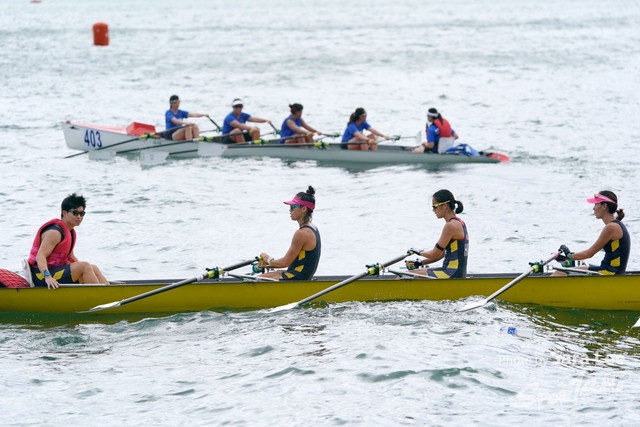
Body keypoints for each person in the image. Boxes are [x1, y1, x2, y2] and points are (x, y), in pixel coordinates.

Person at [28, 193, 109, 289]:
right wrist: (47, 276)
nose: (79, 217)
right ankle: (98, 295)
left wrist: (87, 270)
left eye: (82, 214)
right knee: (85, 266)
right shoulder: (55, 233)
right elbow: (40, 256)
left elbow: (71, 257)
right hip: (41, 276)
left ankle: (110, 293)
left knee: (92, 267)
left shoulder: (69, 232)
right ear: (64, 213)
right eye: (75, 213)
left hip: (54, 272)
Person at [551, 191, 630, 276]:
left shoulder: (611, 227)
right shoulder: (616, 225)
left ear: (604, 206)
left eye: (596, 204)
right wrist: (567, 257)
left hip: (610, 273)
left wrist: (569, 256)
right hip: (609, 270)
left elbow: (588, 254)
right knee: (568, 269)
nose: (593, 208)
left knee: (559, 273)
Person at [258, 186, 321, 280]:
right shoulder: (313, 228)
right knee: (264, 276)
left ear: (304, 209)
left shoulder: (302, 233)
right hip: (300, 275)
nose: (290, 210)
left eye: (293, 207)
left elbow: (285, 262)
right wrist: (268, 265)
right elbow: (292, 262)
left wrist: (267, 258)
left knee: (257, 280)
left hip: (297, 278)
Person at [405, 189, 469, 278]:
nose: (433, 210)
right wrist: (419, 263)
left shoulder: (450, 226)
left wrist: (418, 251)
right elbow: (440, 255)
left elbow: (433, 254)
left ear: (445, 206)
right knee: (409, 274)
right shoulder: (459, 222)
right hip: (456, 273)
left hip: (450, 274)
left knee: (403, 276)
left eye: (434, 206)